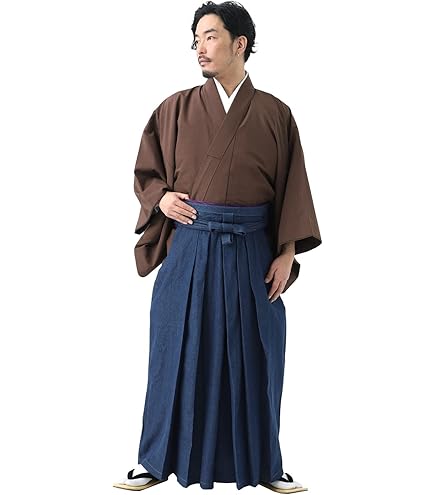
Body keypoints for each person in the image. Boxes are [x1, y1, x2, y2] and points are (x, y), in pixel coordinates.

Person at [113, 1, 321, 493]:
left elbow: (293, 187)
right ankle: (154, 460)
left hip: (253, 252)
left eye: (209, 37)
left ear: (239, 43)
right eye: (196, 40)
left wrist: (287, 252)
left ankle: (265, 464)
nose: (199, 48)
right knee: (173, 351)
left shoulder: (275, 114)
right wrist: (161, 198)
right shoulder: (175, 108)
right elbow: (147, 172)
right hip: (189, 248)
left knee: (258, 356)